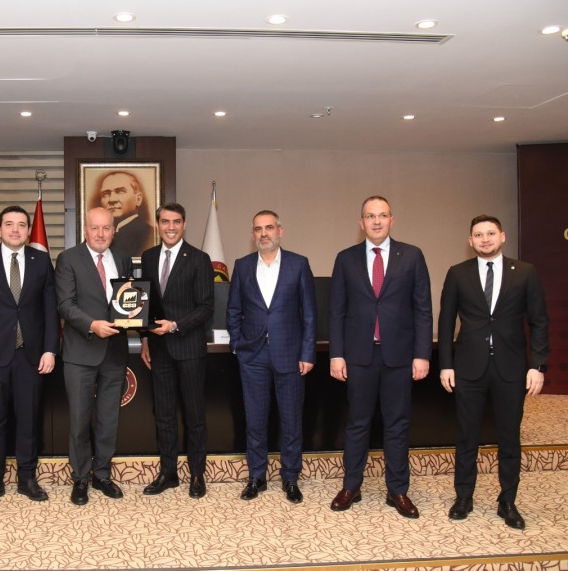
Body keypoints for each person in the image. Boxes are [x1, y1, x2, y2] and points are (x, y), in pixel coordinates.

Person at [438, 214, 548, 530]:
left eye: (490, 233)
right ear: (470, 241)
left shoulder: (525, 272)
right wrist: (446, 364)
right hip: (468, 367)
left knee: (509, 437)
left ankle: (507, 501)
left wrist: (537, 365)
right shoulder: (458, 273)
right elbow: (445, 322)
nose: (484, 239)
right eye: (478, 234)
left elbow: (539, 321)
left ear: (502, 236)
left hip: (511, 368)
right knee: (466, 436)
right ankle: (464, 497)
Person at [328, 195, 432, 519]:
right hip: (359, 357)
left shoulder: (412, 256)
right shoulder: (345, 258)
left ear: (391, 220)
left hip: (399, 357)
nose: (376, 221)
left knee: (397, 425)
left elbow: (423, 309)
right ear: (361, 222)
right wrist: (336, 355)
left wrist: (422, 354)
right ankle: (351, 486)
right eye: (370, 216)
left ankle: (397, 490)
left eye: (382, 215)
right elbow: (336, 311)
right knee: (357, 424)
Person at [0, 205, 60, 506]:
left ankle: (27, 478)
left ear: (28, 230)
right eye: (9, 224)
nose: (15, 229)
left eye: (21, 224)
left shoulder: (41, 260)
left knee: (28, 419)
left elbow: (50, 309)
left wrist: (50, 349)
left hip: (30, 356)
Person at [227, 210, 317, 502]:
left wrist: (307, 353)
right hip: (253, 356)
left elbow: (309, 314)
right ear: (252, 234)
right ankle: (257, 477)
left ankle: (290, 478)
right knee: (255, 420)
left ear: (280, 231)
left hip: (290, 355)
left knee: (291, 421)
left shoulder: (298, 264)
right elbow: (233, 310)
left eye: (269, 228)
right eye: (258, 229)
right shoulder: (242, 266)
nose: (263, 233)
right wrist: (238, 345)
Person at [55, 207, 133, 505]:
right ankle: (80, 478)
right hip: (80, 353)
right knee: (79, 420)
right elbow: (65, 304)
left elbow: (128, 301)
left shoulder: (123, 259)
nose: (101, 234)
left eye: (106, 228)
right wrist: (92, 325)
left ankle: (102, 474)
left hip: (114, 353)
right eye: (95, 228)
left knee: (108, 420)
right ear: (85, 230)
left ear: (114, 230)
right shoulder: (68, 259)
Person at [140, 202, 214, 498]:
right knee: (164, 415)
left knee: (194, 416)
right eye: (165, 221)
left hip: (189, 348)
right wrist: (145, 339)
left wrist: (174, 325)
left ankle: (197, 474)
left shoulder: (199, 258)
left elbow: (206, 307)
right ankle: (168, 473)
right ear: (158, 224)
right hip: (159, 351)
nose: (170, 227)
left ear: (184, 225)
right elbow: (145, 304)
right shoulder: (148, 257)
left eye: (176, 222)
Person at [97, 171, 154, 259]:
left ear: (138, 199)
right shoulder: (97, 236)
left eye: (120, 191)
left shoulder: (150, 234)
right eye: (106, 194)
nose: (112, 199)